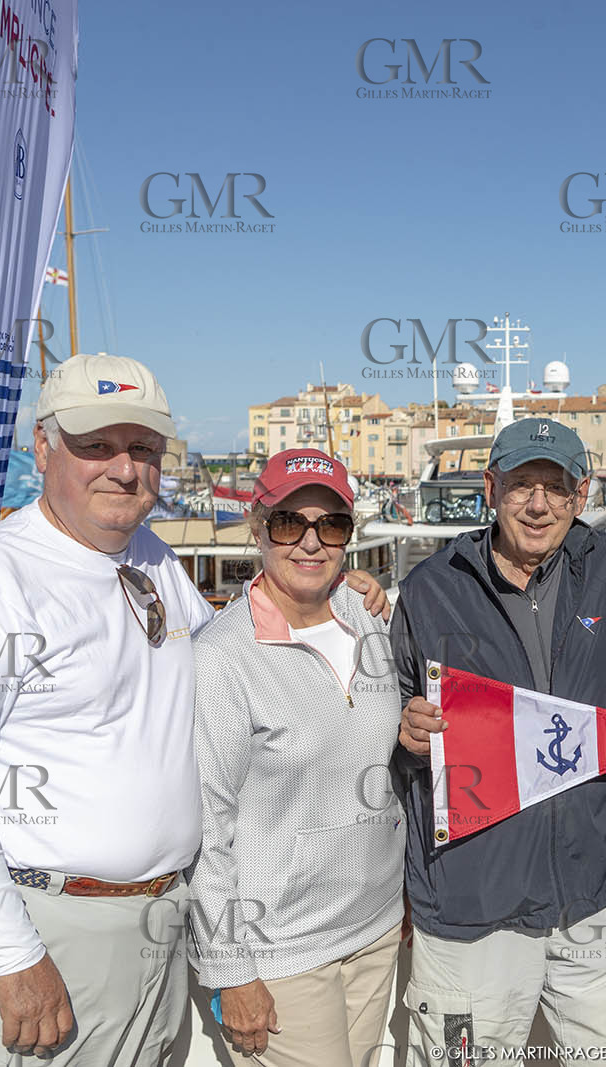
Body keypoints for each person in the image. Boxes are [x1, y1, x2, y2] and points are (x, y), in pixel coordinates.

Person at [0, 354, 216, 1066]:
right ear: (43, 447)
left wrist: (334, 599)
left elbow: (228, 670)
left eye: (144, 449)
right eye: (96, 445)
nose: (125, 469)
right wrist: (13, 955)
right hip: (31, 941)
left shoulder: (154, 560)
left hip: (151, 939)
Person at [394, 418, 606, 1065]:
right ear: (492, 488)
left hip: (589, 894)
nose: (539, 502)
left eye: (555, 486)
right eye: (523, 483)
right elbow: (385, 725)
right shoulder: (428, 589)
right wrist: (403, 734)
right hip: (473, 905)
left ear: (581, 496)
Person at [190, 448, 407, 1067]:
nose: (311, 542)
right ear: (258, 527)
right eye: (289, 523)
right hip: (280, 948)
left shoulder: (369, 621)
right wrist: (231, 971)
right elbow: (207, 826)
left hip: (374, 926)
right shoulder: (223, 657)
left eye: (331, 524)